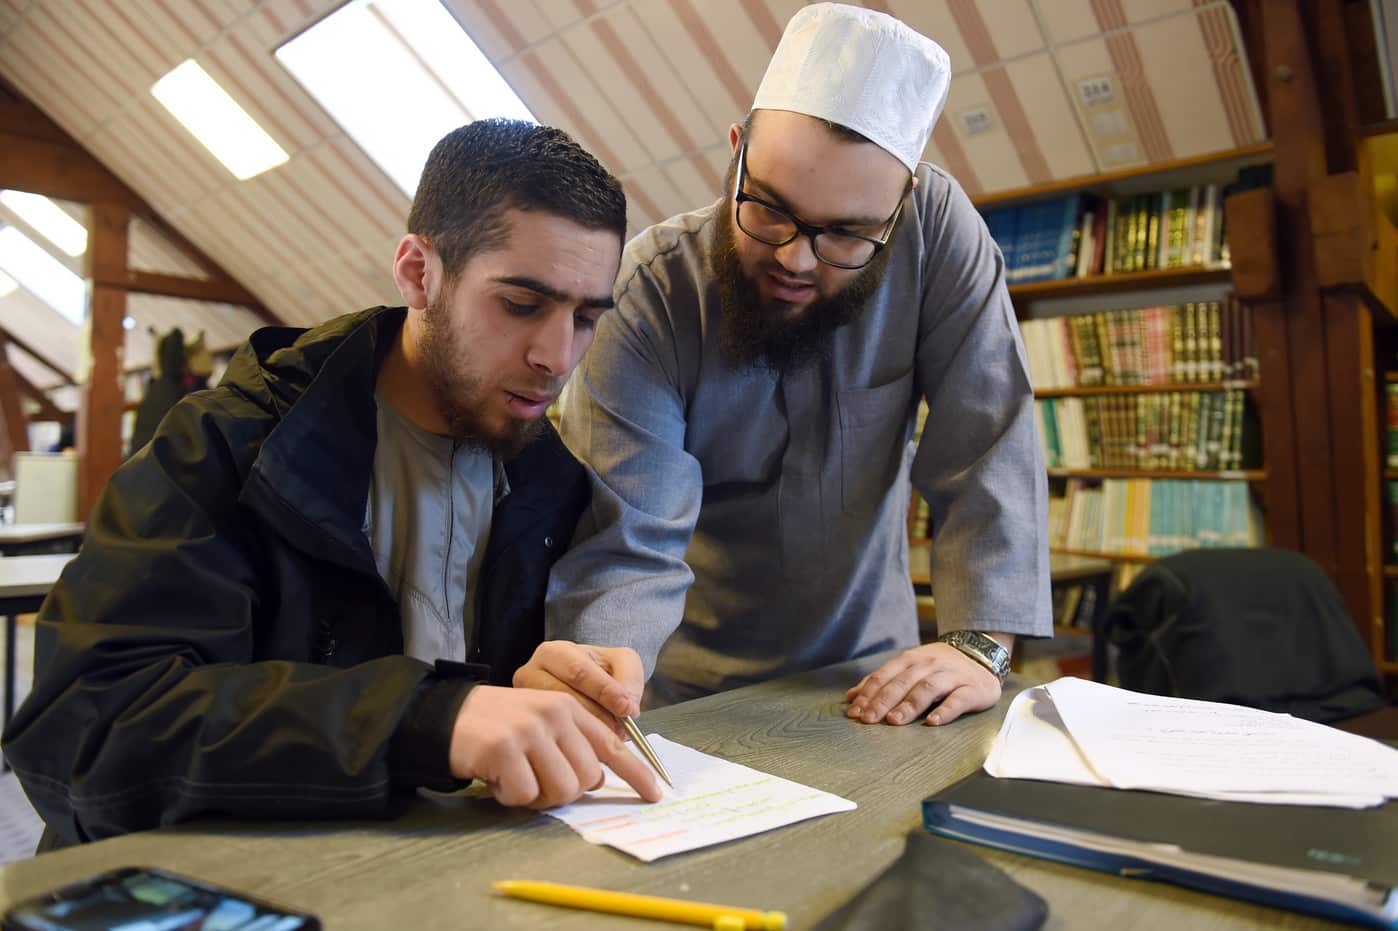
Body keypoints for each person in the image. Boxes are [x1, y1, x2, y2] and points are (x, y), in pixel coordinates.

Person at [2, 119, 662, 849]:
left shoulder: (552, 478)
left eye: (586, 318)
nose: (557, 356)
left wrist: (551, 688)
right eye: (521, 305)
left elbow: (494, 725)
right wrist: (425, 720)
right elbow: (85, 730)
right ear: (418, 273)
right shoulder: (226, 447)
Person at [546, 4, 1052, 724]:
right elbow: (630, 535)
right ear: (736, 154)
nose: (796, 259)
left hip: (880, 679)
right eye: (771, 209)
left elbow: (988, 441)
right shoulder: (649, 295)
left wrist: (979, 645)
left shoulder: (936, 234)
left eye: (845, 234)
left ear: (900, 207)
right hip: (689, 688)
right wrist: (600, 675)